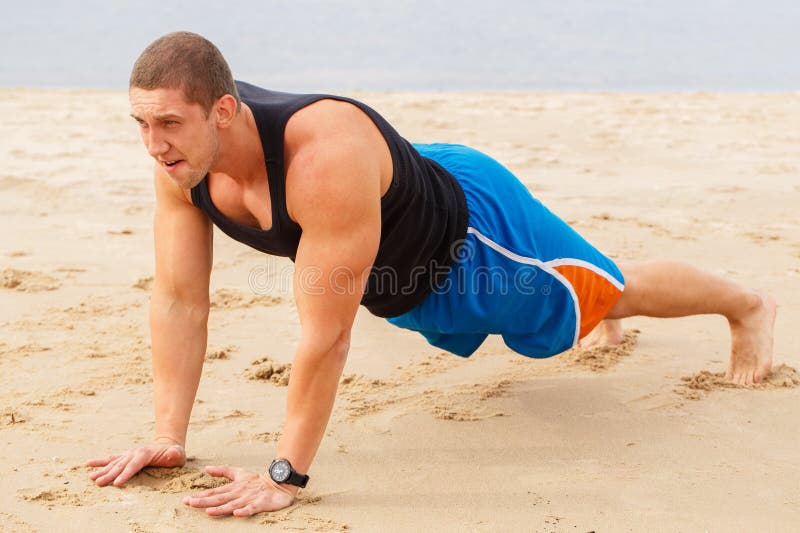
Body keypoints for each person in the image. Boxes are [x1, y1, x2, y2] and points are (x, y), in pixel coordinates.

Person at [87, 32, 776, 518]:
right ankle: (592, 291)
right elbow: (180, 301)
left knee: (597, 295)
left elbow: (326, 336)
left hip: (475, 241)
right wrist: (167, 434)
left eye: (169, 123)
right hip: (396, 254)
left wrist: (284, 476)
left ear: (224, 111)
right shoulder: (182, 165)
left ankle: (744, 305)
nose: (154, 144)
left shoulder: (319, 160)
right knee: (584, 295)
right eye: (141, 124)